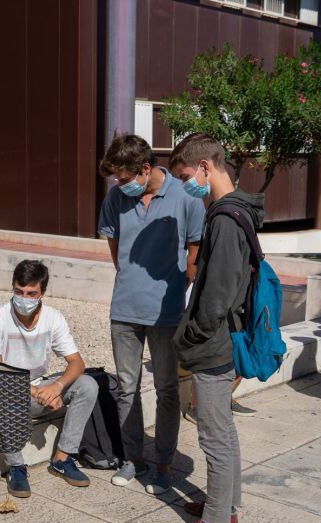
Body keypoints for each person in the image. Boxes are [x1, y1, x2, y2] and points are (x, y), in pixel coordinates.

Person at [163, 133, 260, 523]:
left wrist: (193, 334)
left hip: (215, 342)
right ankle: (227, 506)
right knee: (224, 429)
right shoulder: (241, 210)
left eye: (186, 175)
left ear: (204, 167)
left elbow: (217, 292)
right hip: (229, 336)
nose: (186, 185)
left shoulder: (223, 218)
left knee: (213, 434)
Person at [98, 133, 205, 494]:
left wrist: (176, 291)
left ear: (145, 168)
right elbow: (117, 251)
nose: (119, 184)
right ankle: (133, 459)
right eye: (116, 179)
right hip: (124, 311)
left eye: (125, 178)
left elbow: (194, 251)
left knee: (167, 389)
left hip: (166, 314)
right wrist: (132, 280)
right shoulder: (116, 199)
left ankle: (163, 464)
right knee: (127, 389)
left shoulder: (185, 197)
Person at [0, 260, 99, 496]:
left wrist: (57, 387)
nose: (23, 298)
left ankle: (62, 459)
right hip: (6, 392)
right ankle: (16, 466)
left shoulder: (53, 318)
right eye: (18, 292)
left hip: (39, 388)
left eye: (31, 293)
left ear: (42, 293)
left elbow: (77, 363)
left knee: (88, 384)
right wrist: (38, 393)